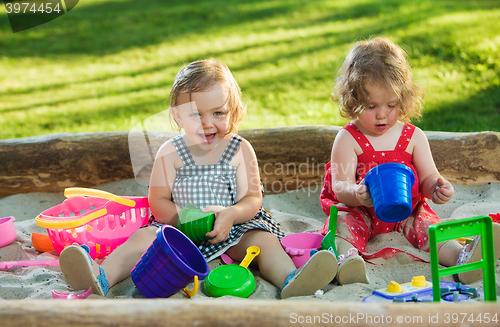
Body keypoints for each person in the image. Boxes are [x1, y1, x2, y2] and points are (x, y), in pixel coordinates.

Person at [59, 59, 337, 299]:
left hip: (232, 228)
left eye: (218, 113)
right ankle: (101, 276)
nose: (207, 123)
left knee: (264, 242)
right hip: (177, 232)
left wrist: (230, 215)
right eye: (196, 114)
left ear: (233, 111)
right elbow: (157, 200)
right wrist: (180, 218)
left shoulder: (239, 149)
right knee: (141, 239)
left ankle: (290, 279)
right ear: (177, 116)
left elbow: (253, 199)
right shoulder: (170, 152)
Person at [318, 37, 500, 285]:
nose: (382, 114)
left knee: (429, 227)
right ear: (354, 100)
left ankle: (462, 258)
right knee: (343, 225)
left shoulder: (412, 136)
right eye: (372, 106)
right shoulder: (349, 139)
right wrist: (356, 194)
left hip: (406, 211)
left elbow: (427, 177)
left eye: (391, 105)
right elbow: (340, 187)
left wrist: (437, 187)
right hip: (362, 210)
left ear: (402, 99)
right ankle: (347, 261)